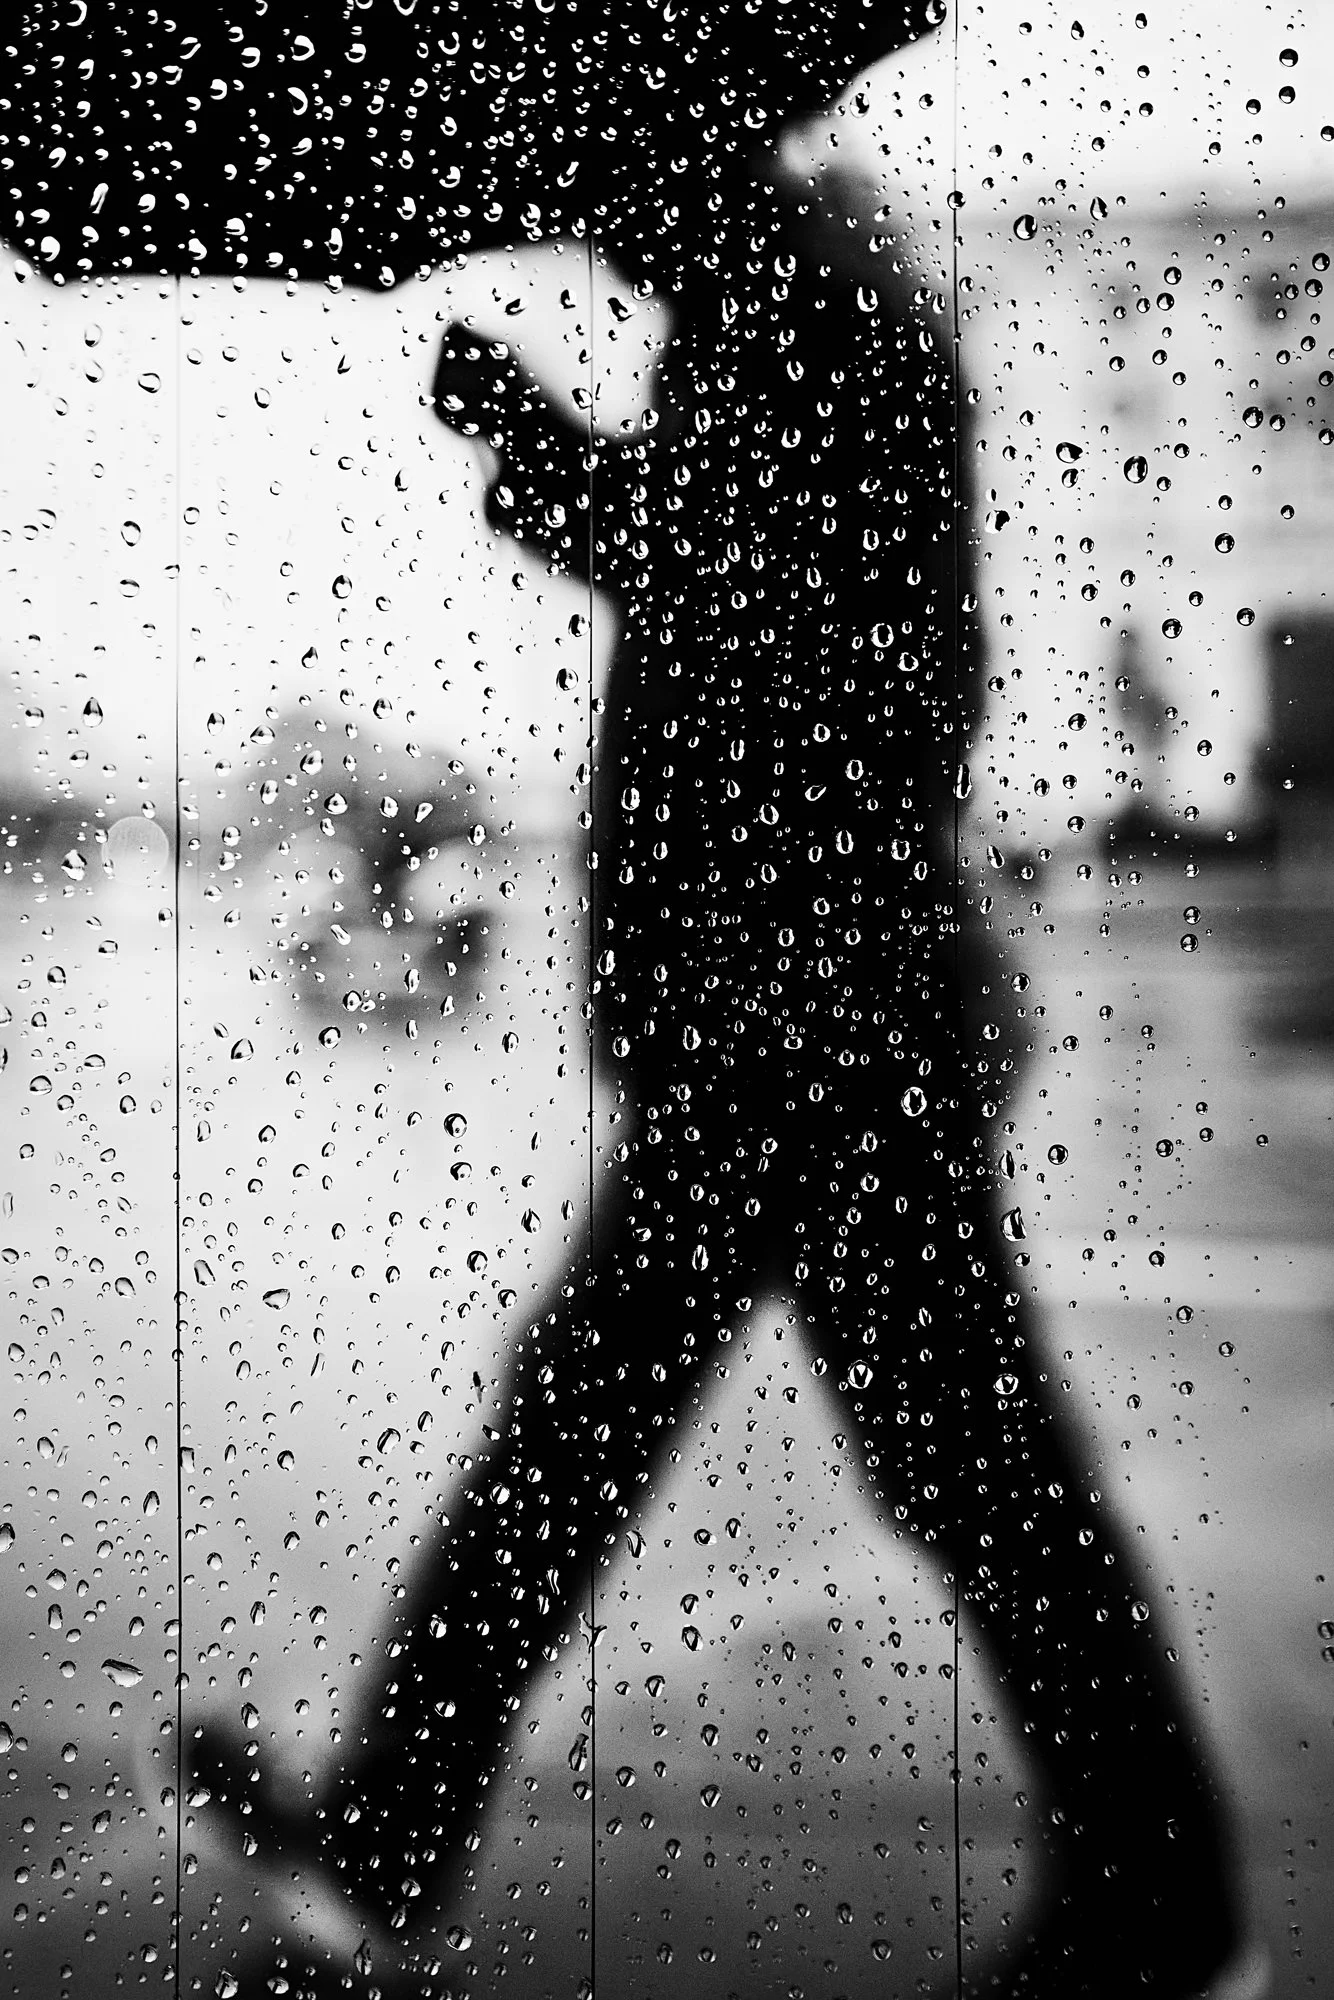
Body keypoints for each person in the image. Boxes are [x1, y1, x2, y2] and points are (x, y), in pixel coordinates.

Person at [190, 139, 1252, 2000]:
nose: (577, 221)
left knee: (639, 1437)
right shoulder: (796, 315)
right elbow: (753, 582)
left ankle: (395, 1832)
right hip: (809, 1006)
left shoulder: (811, 321)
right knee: (896, 1457)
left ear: (687, 161)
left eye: (605, 187)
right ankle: (1152, 1894)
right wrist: (564, 464)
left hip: (805, 1013)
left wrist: (534, 444)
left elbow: (787, 616)